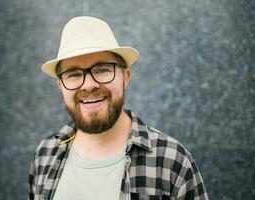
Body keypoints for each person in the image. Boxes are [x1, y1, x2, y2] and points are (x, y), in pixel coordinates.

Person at [28, 16, 208, 200]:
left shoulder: (172, 161)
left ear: (126, 77)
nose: (88, 85)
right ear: (60, 85)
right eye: (73, 74)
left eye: (102, 70)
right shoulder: (45, 153)